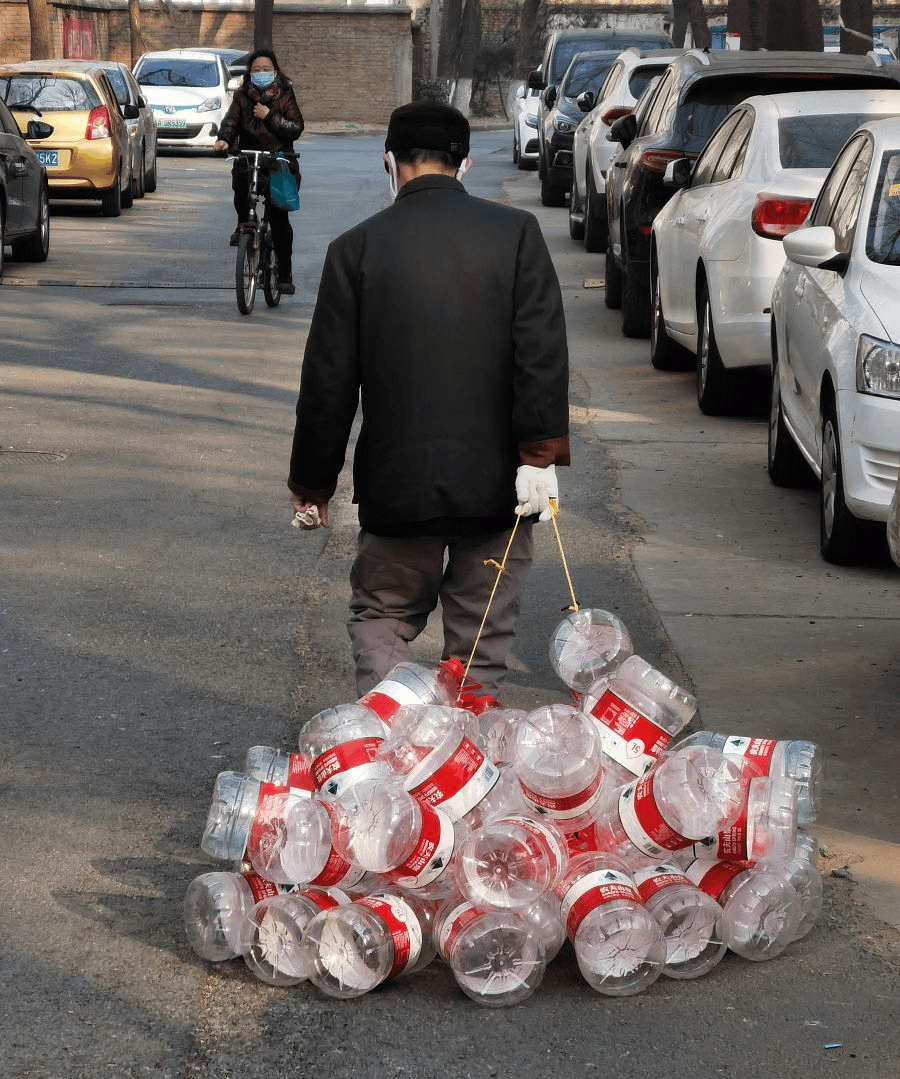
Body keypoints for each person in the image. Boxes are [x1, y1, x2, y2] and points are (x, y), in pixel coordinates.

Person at [287, 101, 570, 702]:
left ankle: (393, 748)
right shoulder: (516, 236)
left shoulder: (354, 250)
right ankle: (464, 773)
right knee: (480, 644)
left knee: (382, 617)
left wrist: (313, 486)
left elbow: (328, 384)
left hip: (397, 489)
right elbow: (541, 354)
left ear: (390, 162)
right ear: (464, 164)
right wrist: (539, 457)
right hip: (497, 489)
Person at [214, 49, 303, 295]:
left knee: (279, 218)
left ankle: (284, 273)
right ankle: (244, 225)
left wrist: (270, 115)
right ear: (249, 73)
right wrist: (224, 139)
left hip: (280, 161)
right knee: (241, 189)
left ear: (275, 71)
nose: (261, 73)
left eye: (266, 69)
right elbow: (231, 121)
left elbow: (296, 127)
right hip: (249, 158)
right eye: (256, 69)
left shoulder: (285, 94)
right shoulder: (243, 96)